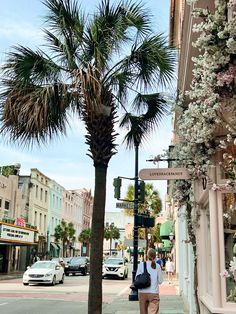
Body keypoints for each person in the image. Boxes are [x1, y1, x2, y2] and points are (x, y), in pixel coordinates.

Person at [135, 248, 163, 314]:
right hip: (153, 293)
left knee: (143, 312)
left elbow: (136, 278)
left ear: (147, 255)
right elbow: (160, 281)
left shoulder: (141, 265)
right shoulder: (157, 266)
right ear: (155, 256)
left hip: (142, 292)